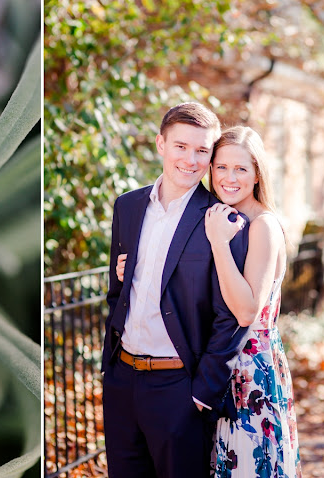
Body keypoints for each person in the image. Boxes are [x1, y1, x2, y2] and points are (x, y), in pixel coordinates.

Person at [102, 102, 251, 478]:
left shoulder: (222, 219)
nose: (191, 159)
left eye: (202, 150)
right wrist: (110, 372)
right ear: (160, 145)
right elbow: (117, 291)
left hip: (178, 388)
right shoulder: (128, 206)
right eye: (181, 146)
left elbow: (231, 318)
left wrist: (201, 395)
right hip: (122, 381)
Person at [204, 126, 302, 477]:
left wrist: (218, 243)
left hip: (251, 369)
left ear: (257, 173)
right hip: (225, 363)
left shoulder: (262, 225)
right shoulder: (226, 217)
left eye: (241, 169)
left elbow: (247, 311)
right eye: (221, 167)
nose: (229, 178)